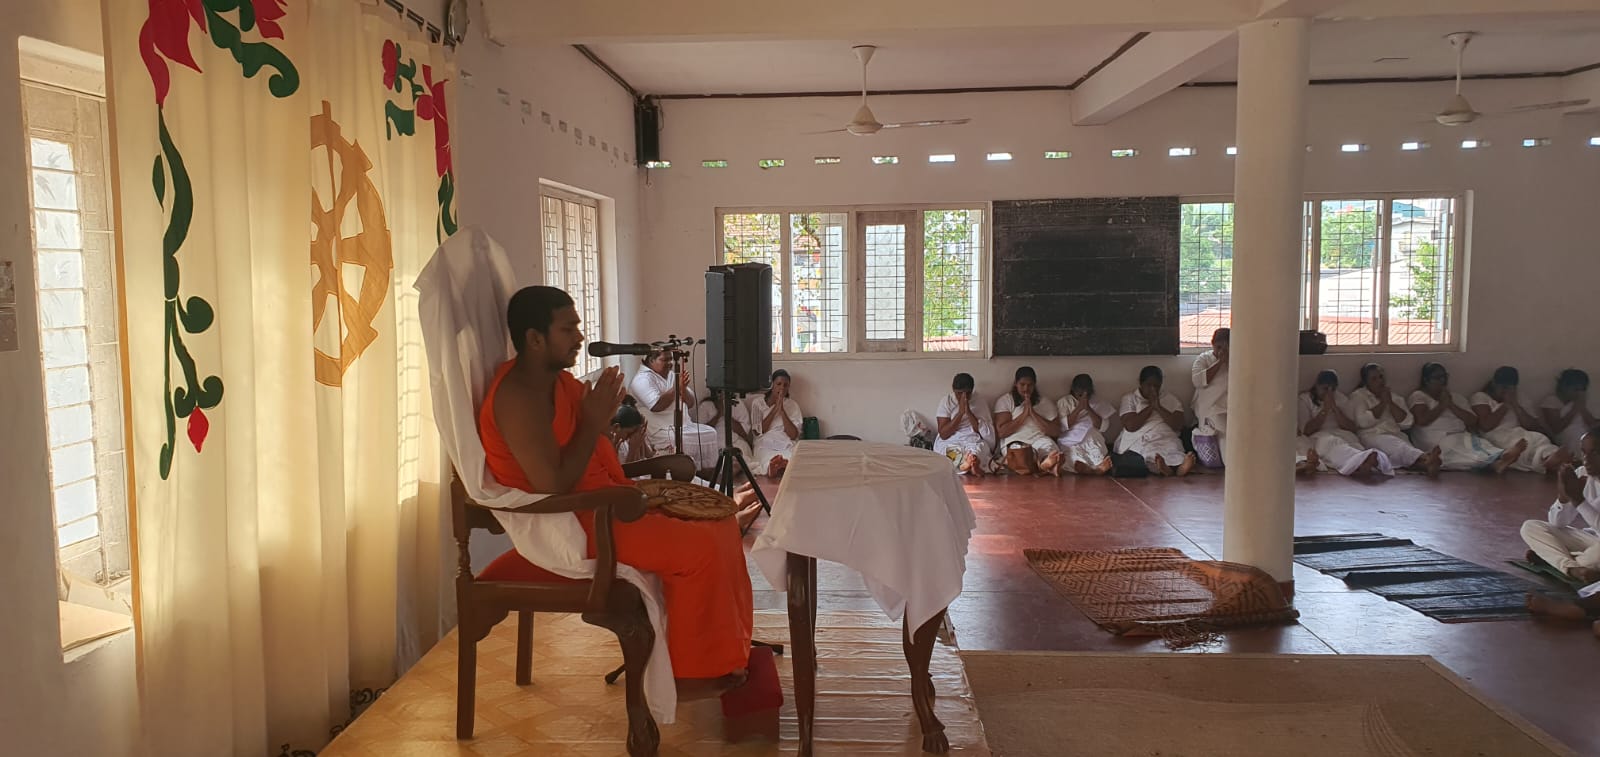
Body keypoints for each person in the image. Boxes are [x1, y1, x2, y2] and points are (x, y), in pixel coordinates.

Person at [477, 285, 752, 688]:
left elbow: (583, 455)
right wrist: (593, 423)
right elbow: (552, 485)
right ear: (535, 339)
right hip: (575, 524)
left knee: (722, 525)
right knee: (700, 547)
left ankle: (724, 651)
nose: (580, 338)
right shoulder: (517, 398)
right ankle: (694, 672)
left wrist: (600, 426)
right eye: (568, 329)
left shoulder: (557, 384)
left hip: (605, 503)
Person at [1522, 428, 1600, 622]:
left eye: (1595, 453)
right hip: (1591, 539)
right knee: (1531, 527)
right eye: (1583, 452)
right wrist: (1563, 497)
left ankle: (1557, 559)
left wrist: (1578, 499)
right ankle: (1572, 568)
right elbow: (1558, 523)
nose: (1587, 459)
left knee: (1592, 559)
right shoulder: (1581, 474)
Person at [1408, 362, 1515, 473]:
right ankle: (1496, 461)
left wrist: (1451, 405)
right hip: (1434, 437)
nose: (1442, 381)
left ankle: (1498, 460)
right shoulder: (1418, 396)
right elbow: (1422, 420)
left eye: (1445, 376)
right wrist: (1442, 405)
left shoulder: (1456, 397)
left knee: (1478, 445)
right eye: (1437, 378)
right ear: (1426, 380)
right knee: (1459, 451)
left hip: (1459, 434)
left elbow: (1472, 420)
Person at [630, 348, 721, 473]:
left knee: (710, 433)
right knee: (681, 441)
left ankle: (704, 474)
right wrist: (676, 388)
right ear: (651, 360)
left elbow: (690, 403)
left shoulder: (672, 375)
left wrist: (682, 390)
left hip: (683, 425)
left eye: (671, 359)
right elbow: (656, 406)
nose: (670, 363)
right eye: (664, 359)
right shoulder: (642, 379)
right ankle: (686, 474)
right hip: (659, 429)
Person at [1472, 366, 1571, 474]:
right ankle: (1549, 461)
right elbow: (1486, 426)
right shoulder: (1481, 397)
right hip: (1497, 435)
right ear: (1494, 384)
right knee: (1524, 447)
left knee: (1539, 438)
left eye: (1509, 388)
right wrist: (1506, 404)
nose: (1505, 391)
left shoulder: (1521, 397)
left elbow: (1532, 426)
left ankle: (1552, 458)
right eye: (1502, 387)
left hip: (1520, 432)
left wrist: (1516, 405)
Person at [1349, 362, 1442, 477]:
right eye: (1374, 379)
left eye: (1381, 377)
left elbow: (1407, 423)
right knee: (1398, 447)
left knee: (1405, 449)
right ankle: (1426, 457)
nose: (1379, 381)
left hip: (1396, 434)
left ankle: (1427, 464)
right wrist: (1383, 403)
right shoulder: (1358, 396)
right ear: (1365, 382)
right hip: (1372, 435)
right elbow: (1363, 422)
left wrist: (1390, 403)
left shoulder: (1394, 397)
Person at [1298, 370, 1392, 477]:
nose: (1329, 392)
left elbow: (1352, 428)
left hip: (1343, 435)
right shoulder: (1305, 399)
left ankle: (1363, 460)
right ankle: (1360, 461)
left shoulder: (1341, 398)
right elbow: (1306, 430)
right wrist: (1325, 410)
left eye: (1332, 389)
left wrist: (1335, 409)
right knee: (1332, 442)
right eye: (1325, 388)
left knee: (1351, 444)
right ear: (1316, 386)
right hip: (1320, 436)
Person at [1116, 366, 1197, 477]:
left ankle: (1179, 468)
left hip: (1166, 436)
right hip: (1143, 438)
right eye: (1149, 385)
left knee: (1174, 448)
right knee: (1149, 453)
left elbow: (1178, 425)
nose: (1153, 389)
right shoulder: (1130, 399)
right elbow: (1130, 426)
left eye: (1157, 386)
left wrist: (1158, 407)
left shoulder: (1170, 399)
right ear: (1141, 383)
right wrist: (1151, 407)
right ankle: (1164, 469)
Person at [993, 366, 1064, 476]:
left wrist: (1033, 413)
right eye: (1022, 385)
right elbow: (1002, 432)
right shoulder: (1005, 401)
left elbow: (1055, 431)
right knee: (1020, 454)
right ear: (1015, 384)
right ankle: (1044, 466)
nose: (1026, 389)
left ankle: (1047, 464)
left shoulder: (1045, 402)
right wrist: (1024, 414)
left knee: (1050, 448)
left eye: (1030, 385)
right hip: (1016, 440)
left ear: (1034, 385)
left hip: (1039, 439)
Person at [735, 369, 802, 478]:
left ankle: (782, 468)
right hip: (764, 442)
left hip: (784, 442)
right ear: (772, 385)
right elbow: (757, 432)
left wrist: (783, 411)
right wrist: (775, 409)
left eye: (786, 385)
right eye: (779, 384)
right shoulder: (758, 403)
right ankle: (772, 468)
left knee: (791, 460)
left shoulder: (792, 405)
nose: (782, 388)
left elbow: (793, 435)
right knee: (766, 461)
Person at [934, 373, 996, 476]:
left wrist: (969, 412)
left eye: (967, 393)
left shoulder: (979, 401)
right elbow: (944, 434)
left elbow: (982, 431)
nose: (964, 397)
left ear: (972, 391)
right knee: (949, 452)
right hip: (951, 438)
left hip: (972, 437)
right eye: (959, 393)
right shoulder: (947, 401)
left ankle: (973, 463)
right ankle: (967, 465)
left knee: (980, 448)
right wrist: (960, 413)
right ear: (953, 390)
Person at [1056, 373, 1114, 475]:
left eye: (1087, 392)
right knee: (1073, 456)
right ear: (1074, 390)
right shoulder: (1065, 402)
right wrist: (1079, 408)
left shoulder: (1098, 402)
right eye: (1080, 393)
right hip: (1070, 439)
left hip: (1091, 436)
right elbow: (1062, 426)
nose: (1084, 395)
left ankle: (1095, 469)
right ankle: (1092, 470)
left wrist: (1088, 408)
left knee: (1096, 448)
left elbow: (1103, 427)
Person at [1190, 328, 1229, 467]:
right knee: (1225, 431)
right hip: (1211, 409)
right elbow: (1198, 381)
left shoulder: (1237, 361)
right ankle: (1232, 464)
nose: (1221, 351)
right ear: (1212, 344)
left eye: (1225, 347)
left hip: (1232, 408)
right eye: (1218, 347)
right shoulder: (1203, 359)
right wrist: (1219, 362)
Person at [1540, 369, 1596, 457]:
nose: (1578, 393)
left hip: (1585, 432)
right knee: (1576, 435)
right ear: (1565, 387)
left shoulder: (1579, 401)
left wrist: (1582, 407)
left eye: (1581, 390)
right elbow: (1556, 428)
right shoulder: (1551, 400)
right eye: (1576, 389)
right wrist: (1575, 407)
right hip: (1566, 435)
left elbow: (1592, 424)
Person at [610, 398, 650, 464]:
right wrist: (633, 450)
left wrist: (641, 439)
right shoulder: (608, 443)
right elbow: (626, 472)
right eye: (628, 433)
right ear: (616, 427)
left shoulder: (624, 442)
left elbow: (648, 457)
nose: (629, 437)